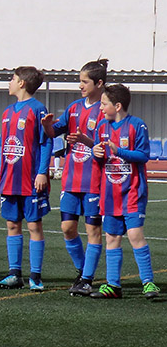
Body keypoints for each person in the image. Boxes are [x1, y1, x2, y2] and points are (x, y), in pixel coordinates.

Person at [41, 59, 108, 296]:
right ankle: (83, 272)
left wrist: (85, 141)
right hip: (71, 179)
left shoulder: (105, 110)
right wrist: (48, 126)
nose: (80, 85)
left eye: (84, 81)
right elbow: (54, 132)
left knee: (92, 231)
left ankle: (87, 279)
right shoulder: (74, 107)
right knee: (67, 228)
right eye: (79, 81)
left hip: (94, 181)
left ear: (99, 83)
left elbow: (106, 147)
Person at [89, 84, 159, 299]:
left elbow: (143, 156)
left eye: (104, 104)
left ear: (117, 106)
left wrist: (118, 150)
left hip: (132, 192)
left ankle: (148, 283)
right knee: (111, 237)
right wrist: (96, 152)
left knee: (135, 235)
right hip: (110, 194)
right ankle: (113, 285)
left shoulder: (137, 126)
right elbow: (99, 159)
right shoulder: (102, 126)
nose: (100, 108)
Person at [0, 66, 51, 291]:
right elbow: (4, 147)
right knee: (11, 224)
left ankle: (35, 276)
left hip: (30, 179)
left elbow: (45, 142)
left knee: (34, 225)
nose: (9, 82)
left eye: (12, 78)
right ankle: (14, 273)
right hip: (9, 179)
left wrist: (42, 172)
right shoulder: (7, 112)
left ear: (22, 83)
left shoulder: (37, 109)